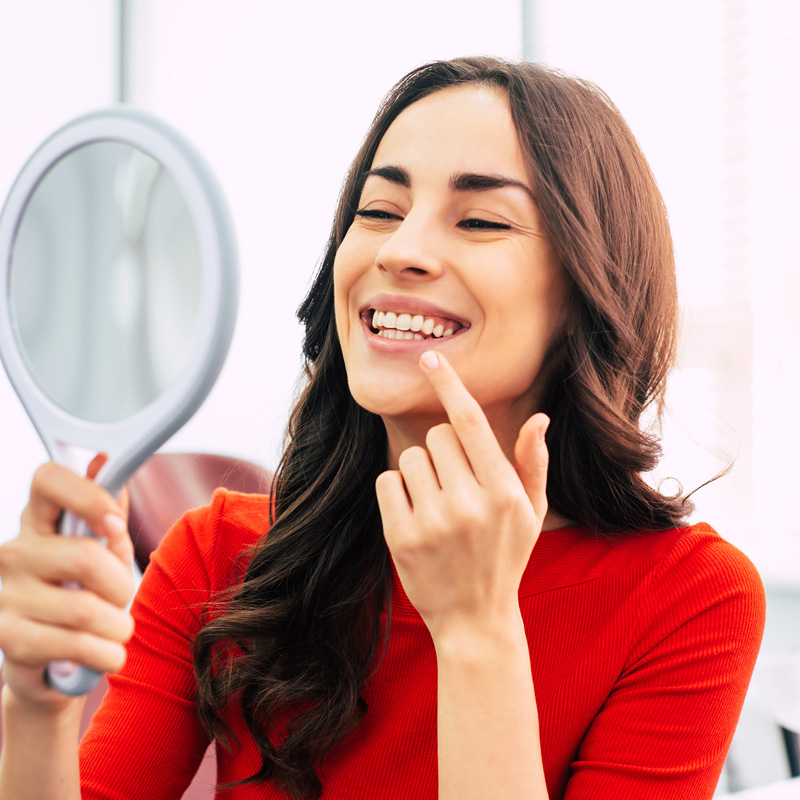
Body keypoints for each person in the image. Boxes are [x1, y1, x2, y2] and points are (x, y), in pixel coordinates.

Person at [0, 57, 765, 800]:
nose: (400, 251)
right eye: (378, 211)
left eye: (479, 219)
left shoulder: (690, 597)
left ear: (586, 294)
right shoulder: (216, 556)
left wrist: (475, 630)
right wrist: (36, 712)